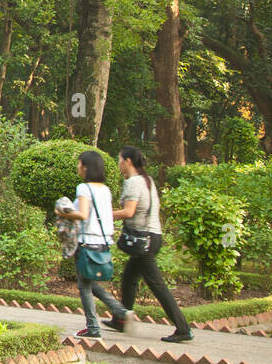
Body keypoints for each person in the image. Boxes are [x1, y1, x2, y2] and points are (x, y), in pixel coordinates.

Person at [112, 145, 193, 343]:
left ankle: (183, 329)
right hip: (151, 237)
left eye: (120, 160)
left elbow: (129, 212)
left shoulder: (133, 182)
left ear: (128, 161)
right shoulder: (146, 180)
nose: (119, 164)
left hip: (144, 240)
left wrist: (103, 214)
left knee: (157, 285)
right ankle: (120, 319)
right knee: (129, 277)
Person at [56, 150, 128, 338]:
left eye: (80, 164)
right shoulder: (105, 189)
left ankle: (94, 328)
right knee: (89, 283)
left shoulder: (84, 188)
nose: (78, 167)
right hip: (103, 242)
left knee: (84, 287)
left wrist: (62, 213)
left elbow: (83, 215)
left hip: (86, 242)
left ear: (86, 167)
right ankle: (119, 311)